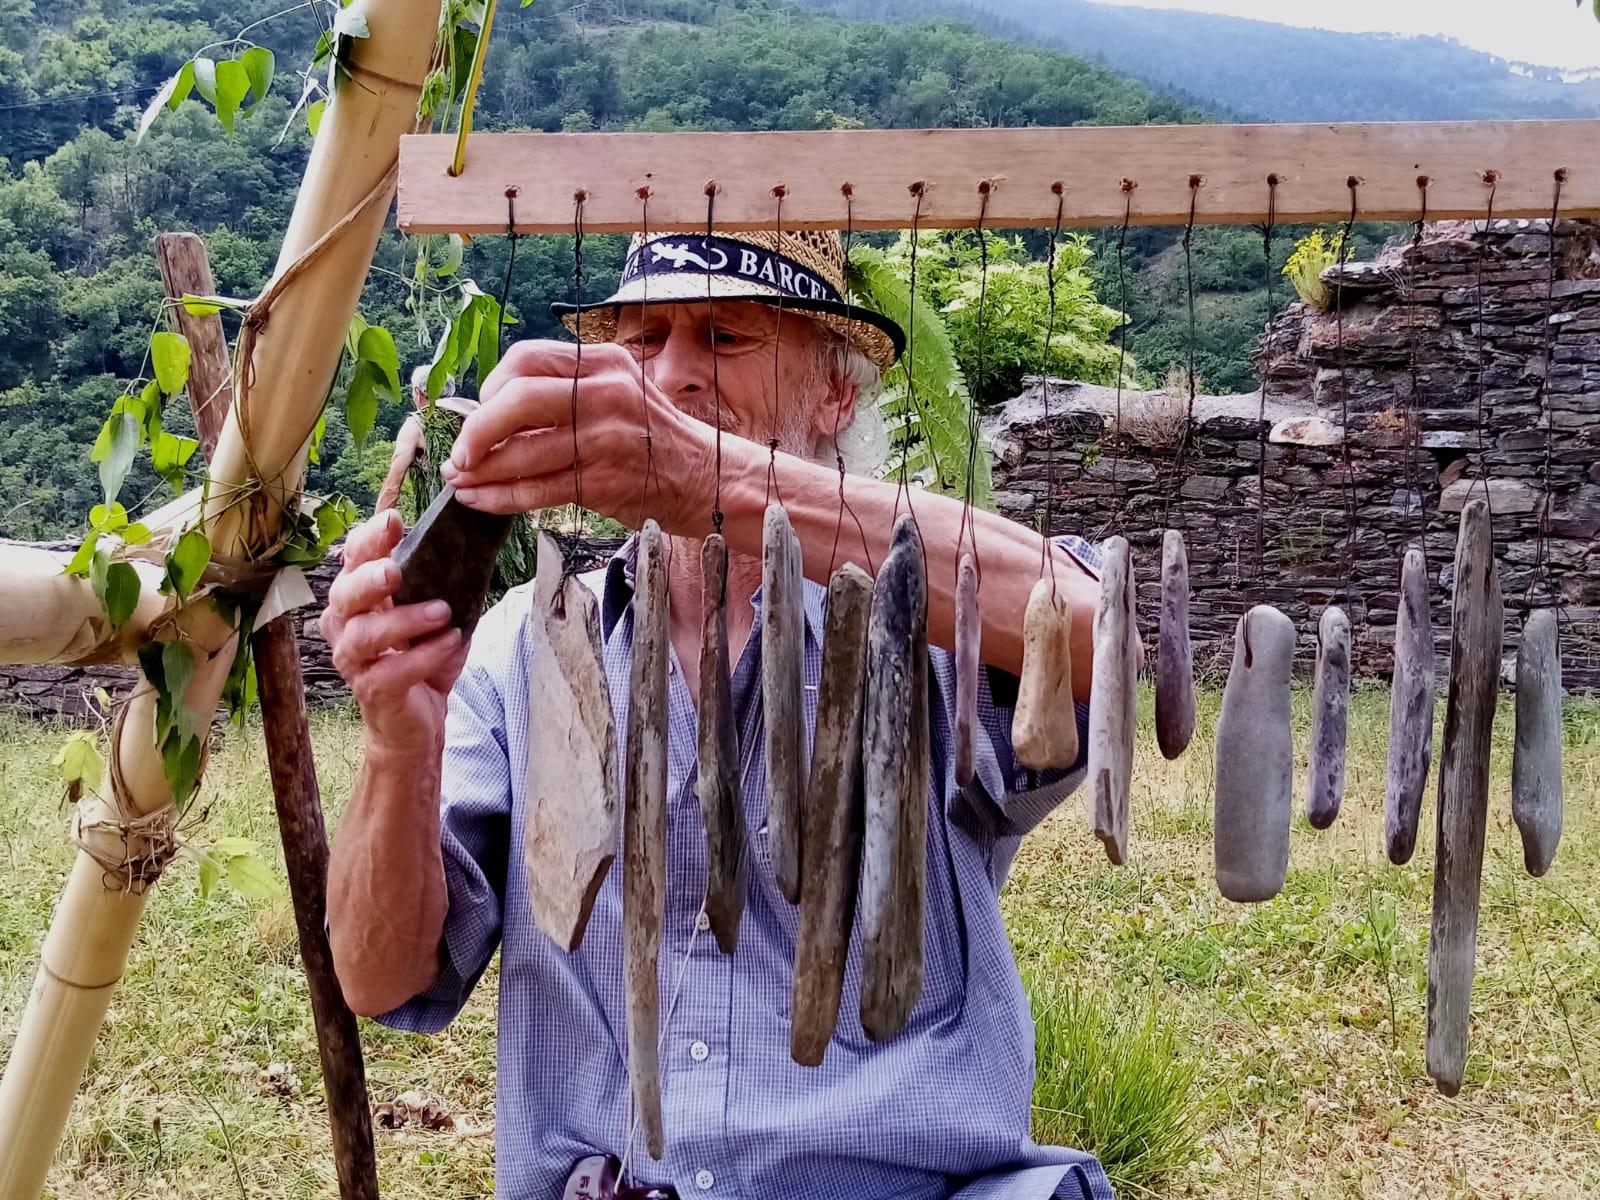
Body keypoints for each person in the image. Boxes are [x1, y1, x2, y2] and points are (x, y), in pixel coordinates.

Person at [321, 229, 1112, 1199]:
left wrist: (714, 481)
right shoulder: (517, 651)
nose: (675, 374)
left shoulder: (931, 623)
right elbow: (380, 976)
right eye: (645, 340)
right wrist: (399, 747)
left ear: (837, 393)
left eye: (725, 337)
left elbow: (1096, 633)